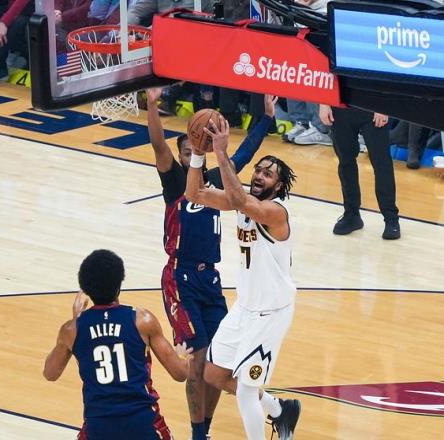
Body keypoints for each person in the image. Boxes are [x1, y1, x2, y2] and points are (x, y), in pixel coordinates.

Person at [146, 88, 277, 440]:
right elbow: (158, 144)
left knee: (219, 361)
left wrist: (266, 118)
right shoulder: (175, 181)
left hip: (210, 279)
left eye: (198, 149)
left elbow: (245, 153)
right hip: (180, 277)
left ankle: (204, 429)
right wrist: (153, 104)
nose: (195, 154)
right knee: (198, 359)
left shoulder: (217, 182)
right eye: (189, 151)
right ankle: (196, 433)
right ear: (182, 154)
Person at [184, 117, 301, 440]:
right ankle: (280, 410)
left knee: (247, 391)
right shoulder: (243, 201)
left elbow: (238, 200)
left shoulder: (276, 212)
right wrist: (198, 154)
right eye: (258, 170)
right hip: (245, 308)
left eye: (268, 174)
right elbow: (194, 193)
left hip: (271, 313)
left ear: (279, 186)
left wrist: (221, 152)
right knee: (213, 374)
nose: (259, 175)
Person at [44, 249, 193, 440]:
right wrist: (183, 358)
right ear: (119, 285)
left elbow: (50, 373)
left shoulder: (71, 330)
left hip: (99, 426)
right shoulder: (143, 320)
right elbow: (180, 374)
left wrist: (76, 320)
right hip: (143, 422)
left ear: (86, 288)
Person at [319, 105, 401, 239]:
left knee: (381, 162)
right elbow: (327, 86)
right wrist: (324, 103)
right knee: (345, 161)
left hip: (372, 105)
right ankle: (352, 215)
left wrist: (383, 106)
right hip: (340, 107)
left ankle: (391, 218)